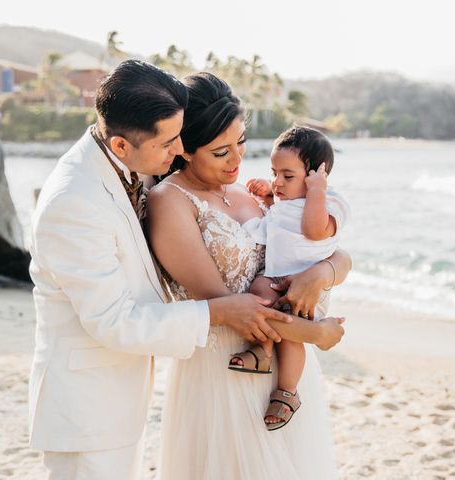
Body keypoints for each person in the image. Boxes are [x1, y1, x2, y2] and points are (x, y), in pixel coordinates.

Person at [28, 60, 302, 480]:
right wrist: (218, 312)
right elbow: (113, 321)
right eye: (170, 142)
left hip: (120, 398)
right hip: (87, 410)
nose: (179, 151)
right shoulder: (74, 201)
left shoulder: (129, 162)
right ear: (121, 146)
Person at [146, 72, 351, 479]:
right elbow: (233, 310)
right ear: (184, 149)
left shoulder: (247, 193)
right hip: (229, 368)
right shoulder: (170, 202)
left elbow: (327, 248)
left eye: (241, 143)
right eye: (221, 152)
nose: (237, 160)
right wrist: (317, 335)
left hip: (287, 372)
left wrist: (322, 273)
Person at [230, 126, 350, 431]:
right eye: (274, 173)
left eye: (287, 176)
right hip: (274, 278)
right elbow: (279, 228)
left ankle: (287, 391)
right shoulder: (286, 202)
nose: (277, 181)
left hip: (306, 288)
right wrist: (270, 199)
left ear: (315, 176)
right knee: (258, 294)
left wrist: (317, 191)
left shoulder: (330, 203)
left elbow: (311, 230)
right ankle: (262, 351)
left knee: (290, 336)